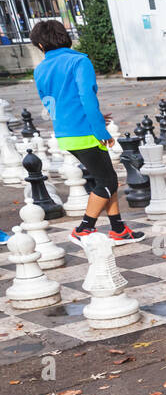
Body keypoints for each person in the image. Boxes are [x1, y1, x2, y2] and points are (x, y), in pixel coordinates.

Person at [29, 19, 143, 243]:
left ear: (41, 46)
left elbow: (51, 101)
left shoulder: (40, 68)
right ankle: (84, 228)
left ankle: (118, 229)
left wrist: (87, 119)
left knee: (106, 178)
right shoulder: (79, 61)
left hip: (65, 132)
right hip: (86, 132)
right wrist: (100, 128)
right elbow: (86, 97)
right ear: (65, 37)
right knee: (108, 182)